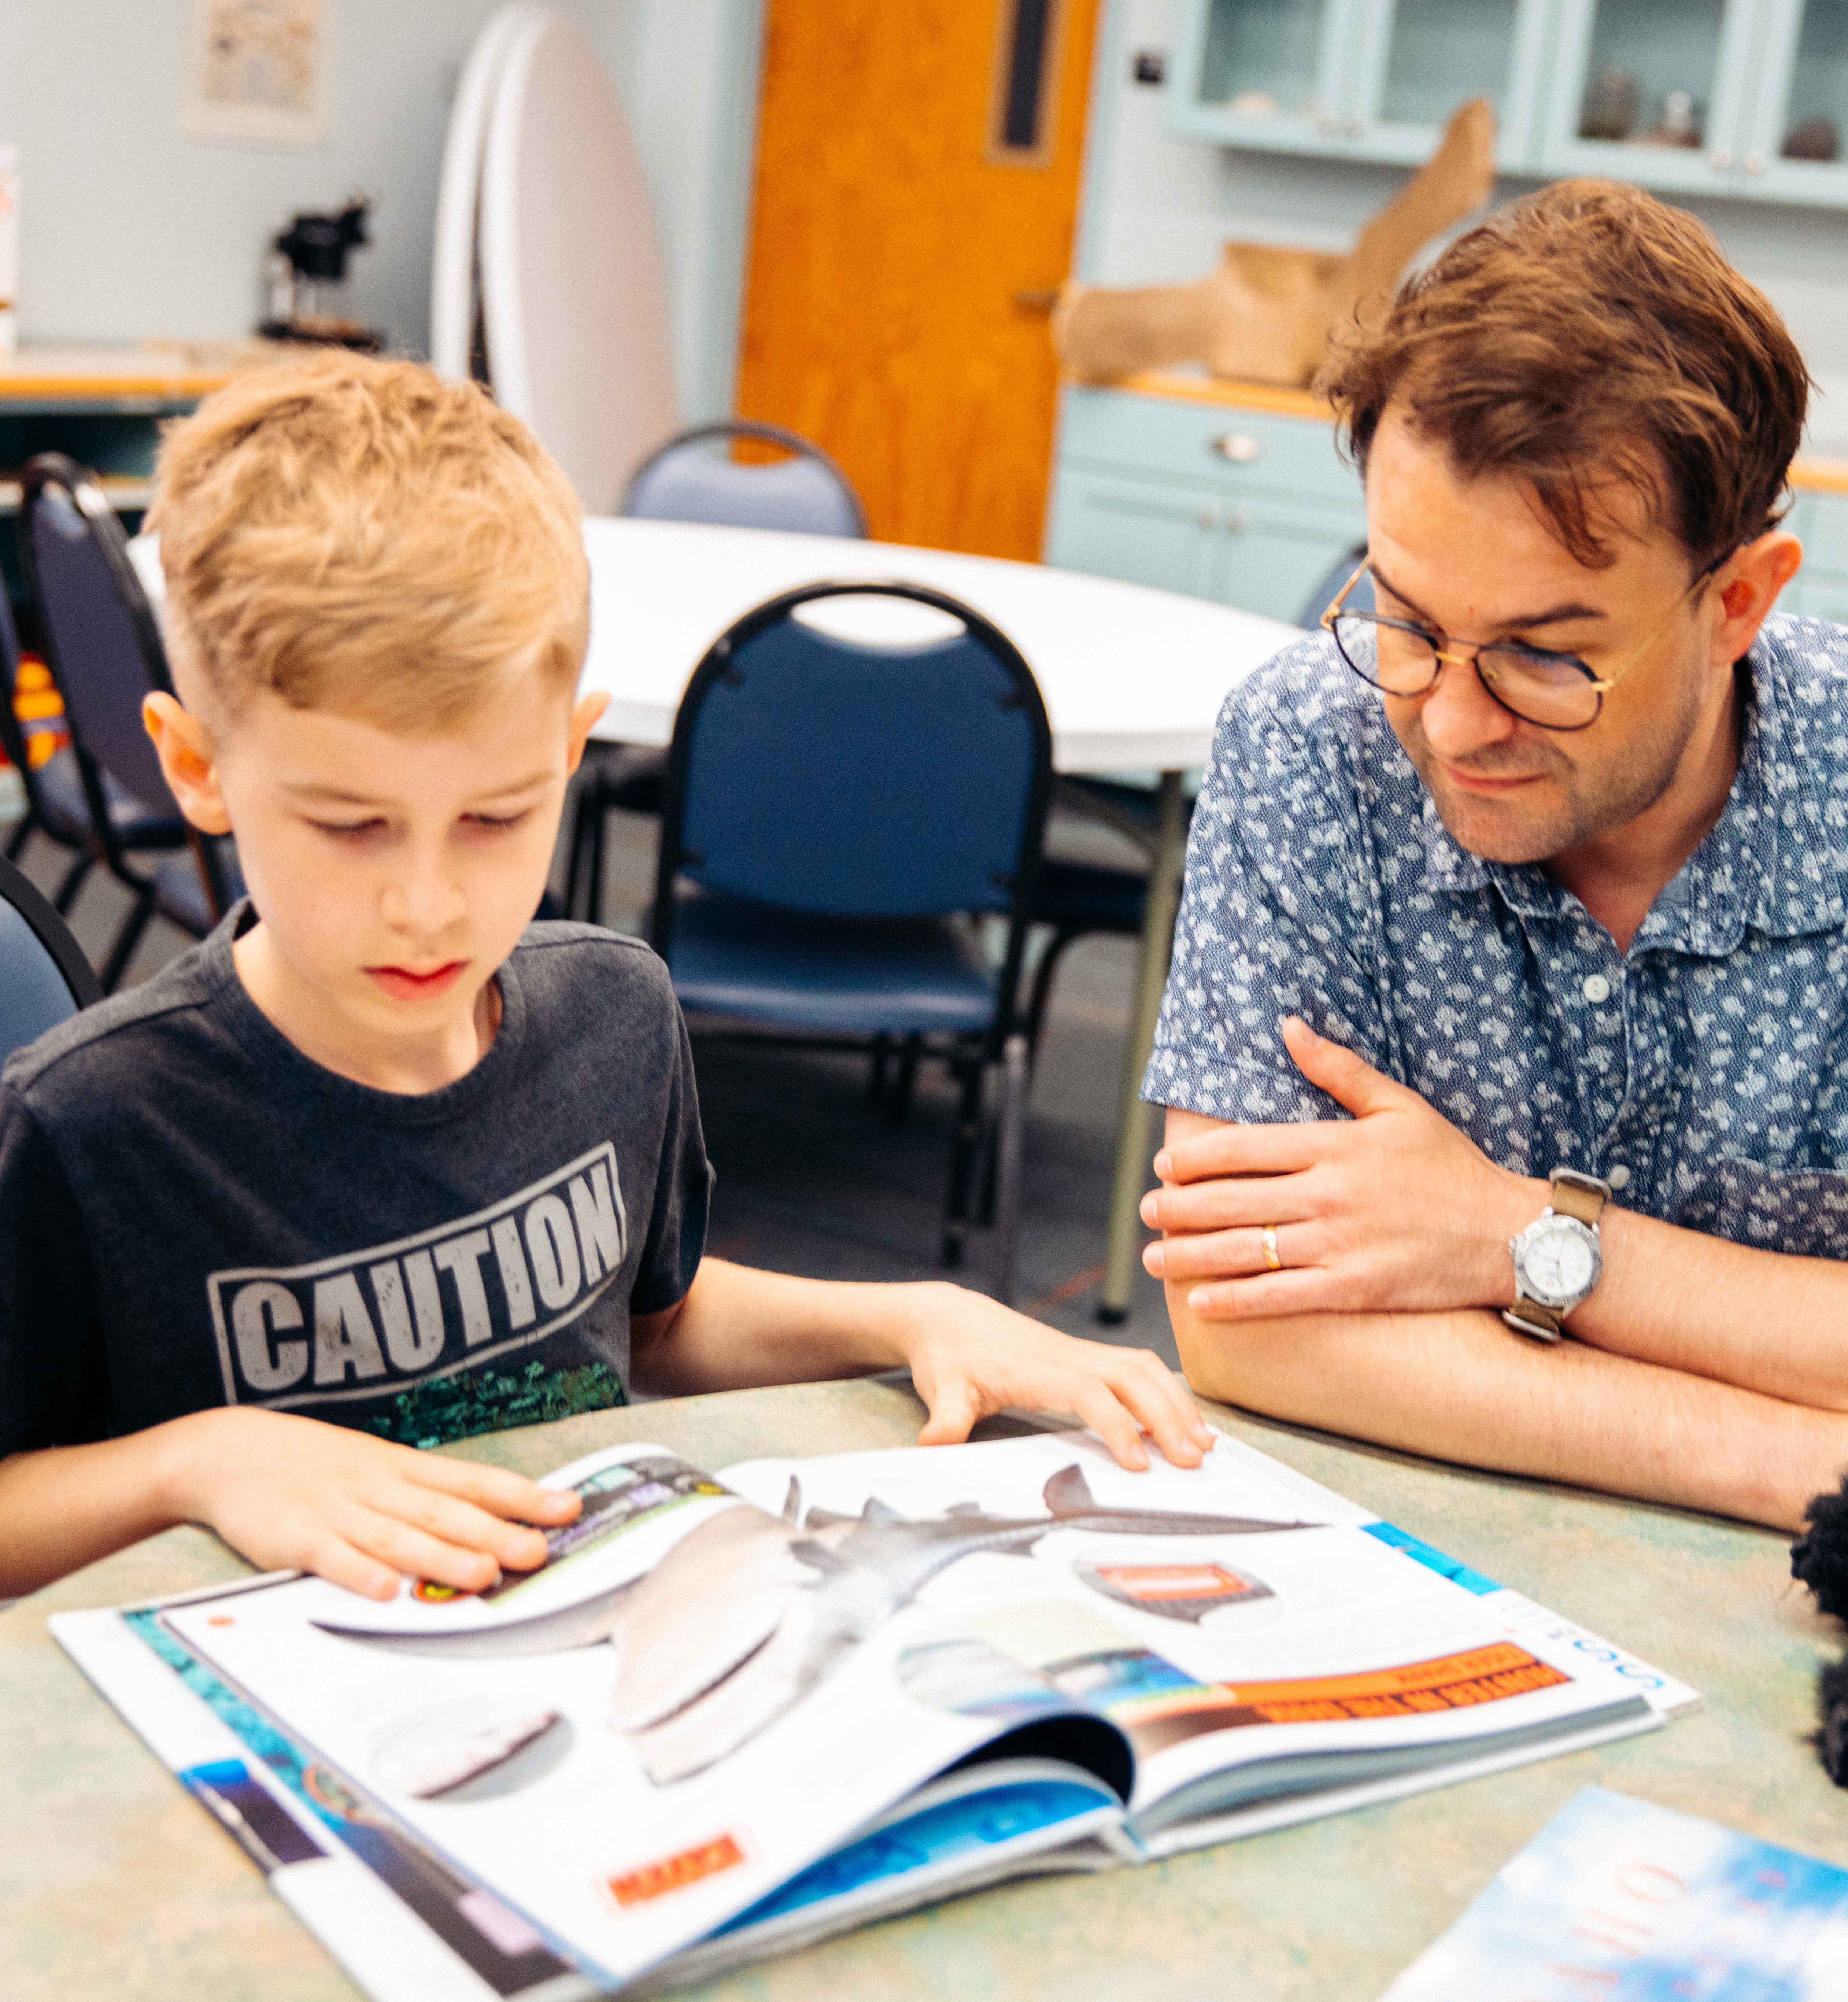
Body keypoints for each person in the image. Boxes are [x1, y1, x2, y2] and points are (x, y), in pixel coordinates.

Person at [0, 351, 1211, 1603]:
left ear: (570, 754)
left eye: (496, 817)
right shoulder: (89, 1123)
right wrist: (197, 1464)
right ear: (195, 766)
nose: (429, 906)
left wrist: (913, 1315)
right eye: (349, 828)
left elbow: (648, 1317)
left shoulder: (614, 1014)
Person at [1137, 178, 1848, 1531]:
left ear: (1738, 602)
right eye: (1410, 619)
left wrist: (1506, 1235)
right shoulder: (1312, 745)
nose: (1453, 720)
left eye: (1548, 655)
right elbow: (1241, 1316)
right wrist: (1800, 1462)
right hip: (1418, 1549)